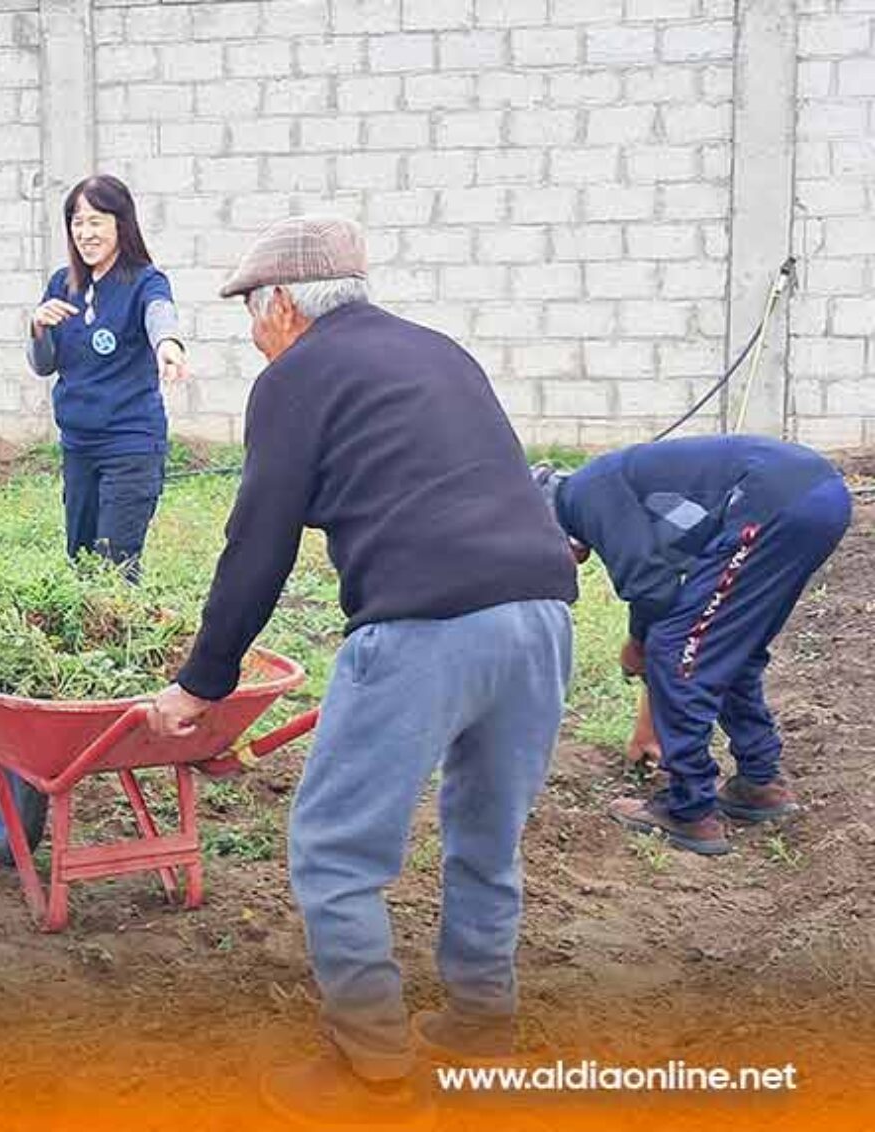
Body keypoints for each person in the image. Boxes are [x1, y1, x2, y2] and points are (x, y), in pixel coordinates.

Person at [146, 216, 578, 1125]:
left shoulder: (295, 376)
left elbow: (256, 541)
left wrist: (203, 680)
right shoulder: (438, 350)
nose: (253, 334)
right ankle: (478, 1027)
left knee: (337, 853)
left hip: (426, 627)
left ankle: (372, 1074)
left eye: (251, 315)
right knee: (485, 832)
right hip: (542, 614)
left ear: (284, 307)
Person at [535, 437, 852, 856]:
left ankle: (688, 808)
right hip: (819, 497)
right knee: (727, 647)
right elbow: (661, 584)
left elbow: (651, 587)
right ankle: (760, 782)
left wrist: (638, 644)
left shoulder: (585, 494)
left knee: (677, 647)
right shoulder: (603, 487)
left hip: (775, 500)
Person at [27, 174, 188, 574]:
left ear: (121, 223)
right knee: (80, 563)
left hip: (130, 445)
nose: (85, 233)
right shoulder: (62, 285)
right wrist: (38, 329)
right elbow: (44, 365)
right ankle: (91, 637)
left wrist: (168, 343)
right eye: (77, 222)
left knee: (115, 567)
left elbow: (158, 311)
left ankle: (120, 636)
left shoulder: (144, 281)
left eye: (96, 221)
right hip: (79, 446)